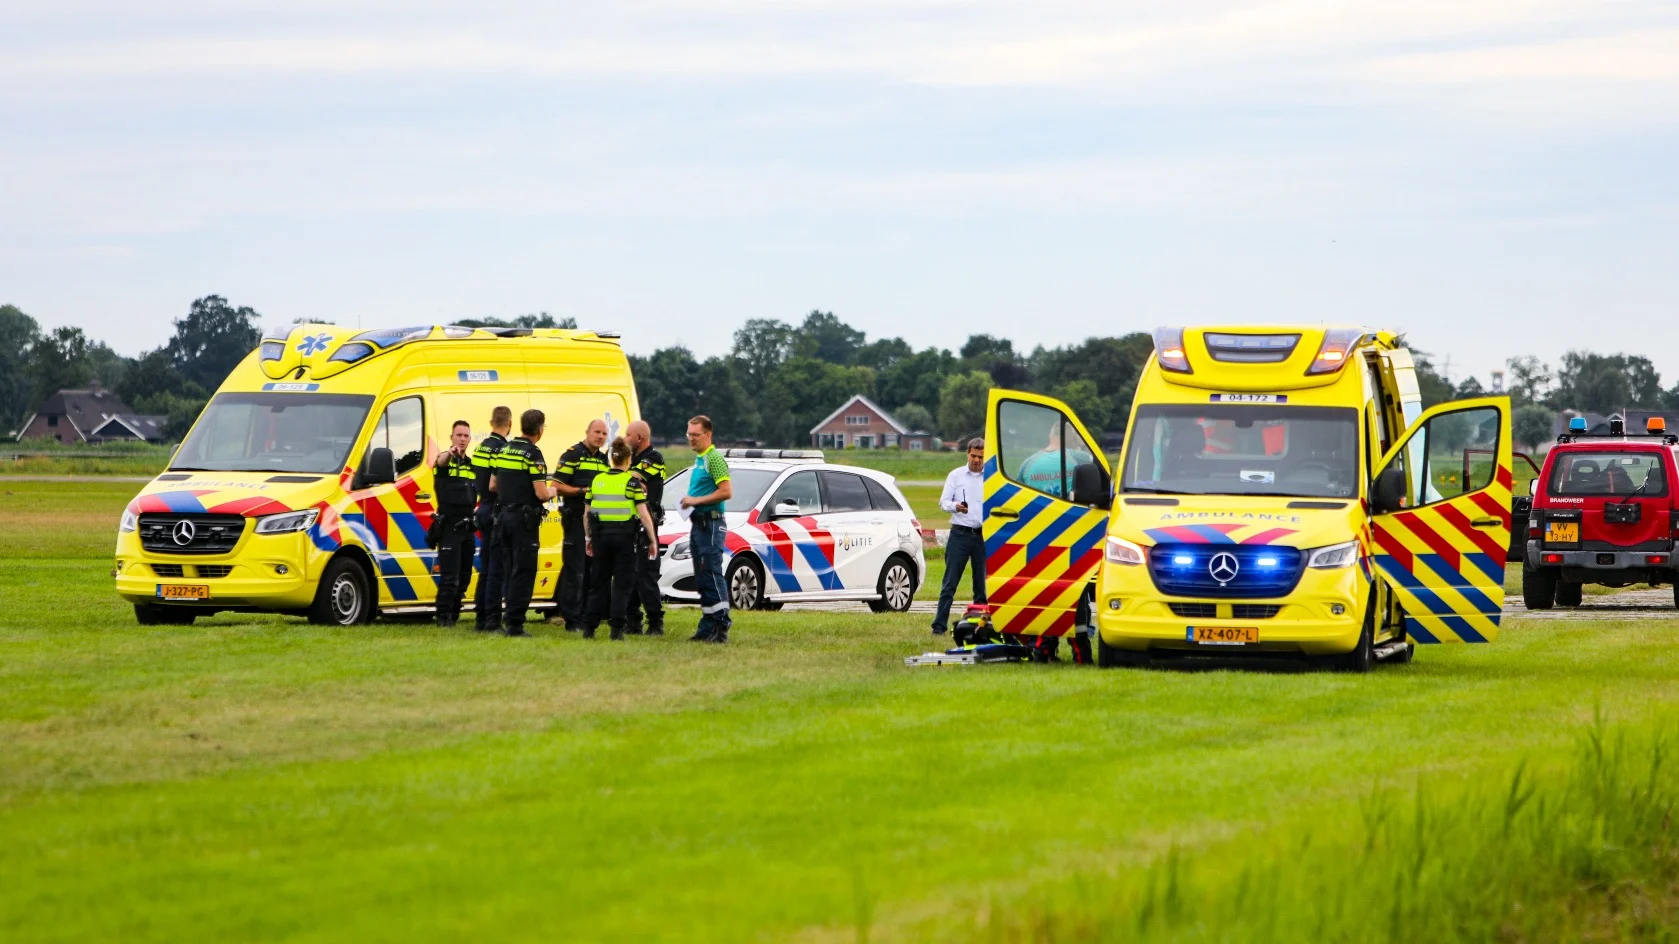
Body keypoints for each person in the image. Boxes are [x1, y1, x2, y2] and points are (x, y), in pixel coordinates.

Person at [581, 437, 660, 640]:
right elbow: (644, 515)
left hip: (600, 538)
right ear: (629, 459)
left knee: (598, 584)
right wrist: (652, 540)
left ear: (611, 458)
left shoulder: (596, 481)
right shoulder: (631, 483)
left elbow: (586, 514)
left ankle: (589, 628)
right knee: (622, 585)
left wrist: (588, 539)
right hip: (625, 539)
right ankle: (616, 630)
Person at [488, 409, 556, 637]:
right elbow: (541, 493)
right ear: (540, 429)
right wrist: (553, 490)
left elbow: (492, 486)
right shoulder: (532, 454)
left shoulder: (504, 449)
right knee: (524, 571)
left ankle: (508, 617)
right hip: (523, 521)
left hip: (502, 518)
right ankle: (515, 625)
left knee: (509, 569)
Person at [551, 419, 610, 630]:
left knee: (592, 571)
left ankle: (587, 616)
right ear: (587, 432)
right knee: (575, 570)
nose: (600, 437)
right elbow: (556, 485)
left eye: (604, 433)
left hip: (595, 522)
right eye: (597, 432)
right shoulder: (572, 455)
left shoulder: (604, 459)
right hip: (575, 518)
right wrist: (581, 491)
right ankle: (572, 619)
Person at [679, 415, 733, 643]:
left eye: (695, 435)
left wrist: (695, 501)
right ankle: (707, 626)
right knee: (702, 578)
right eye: (689, 434)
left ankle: (721, 626)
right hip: (699, 524)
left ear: (708, 434)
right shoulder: (700, 459)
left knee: (711, 573)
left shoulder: (714, 458)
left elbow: (726, 491)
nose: (691, 438)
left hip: (710, 524)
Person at [931, 437, 987, 635]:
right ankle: (939, 626)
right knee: (950, 583)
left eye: (980, 457)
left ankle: (980, 627)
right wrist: (956, 506)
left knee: (981, 586)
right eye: (973, 456)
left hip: (982, 536)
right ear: (967, 454)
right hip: (960, 534)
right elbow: (943, 502)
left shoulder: (990, 477)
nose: (976, 460)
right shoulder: (956, 475)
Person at [431, 420, 477, 627]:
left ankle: (455, 613)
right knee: (450, 577)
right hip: (449, 526)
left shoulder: (472, 465)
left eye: (466, 436)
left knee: (465, 576)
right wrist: (450, 453)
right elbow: (440, 462)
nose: (462, 439)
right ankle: (443, 616)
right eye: (458, 435)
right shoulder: (444, 461)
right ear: (452, 437)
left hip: (467, 526)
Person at [622, 420, 667, 635]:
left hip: (646, 526)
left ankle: (655, 622)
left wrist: (622, 474)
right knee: (628, 574)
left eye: (628, 435)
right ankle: (633, 622)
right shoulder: (632, 459)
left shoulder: (653, 458)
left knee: (646, 576)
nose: (625, 439)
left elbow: (628, 479)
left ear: (639, 438)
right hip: (630, 525)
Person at [470, 406, 512, 633]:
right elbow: (497, 484)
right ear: (510, 424)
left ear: (491, 422)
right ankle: (493, 621)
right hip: (496, 510)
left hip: (483, 508)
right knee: (497, 569)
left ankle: (481, 618)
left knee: (486, 569)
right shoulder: (503, 449)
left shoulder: (480, 448)